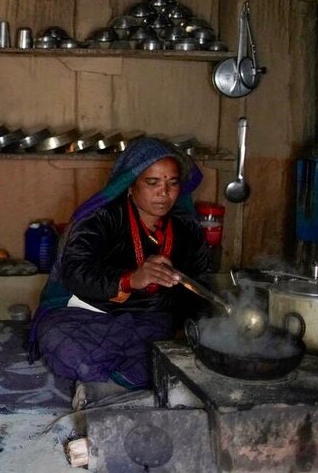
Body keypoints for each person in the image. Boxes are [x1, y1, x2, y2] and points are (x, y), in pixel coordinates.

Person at [28, 136, 212, 394]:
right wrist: (130, 280)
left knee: (178, 356)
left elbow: (200, 282)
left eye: (172, 183)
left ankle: (103, 388)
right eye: (152, 182)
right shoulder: (100, 219)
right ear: (130, 184)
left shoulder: (186, 227)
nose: (164, 193)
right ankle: (118, 384)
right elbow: (76, 274)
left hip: (152, 321)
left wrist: (191, 325)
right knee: (63, 345)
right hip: (89, 315)